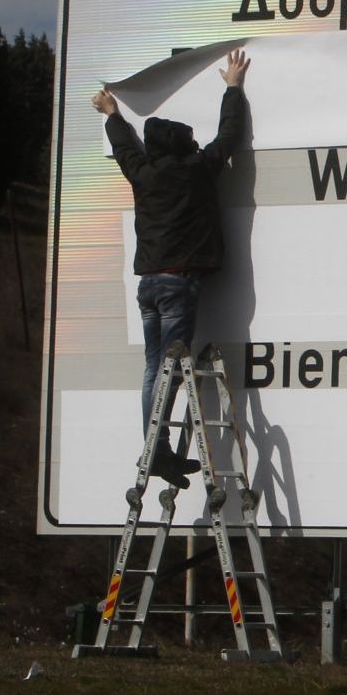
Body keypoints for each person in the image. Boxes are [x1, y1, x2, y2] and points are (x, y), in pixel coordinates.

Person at [90, 49, 251, 490]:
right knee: (166, 369)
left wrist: (112, 113)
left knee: (153, 368)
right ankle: (157, 452)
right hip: (180, 282)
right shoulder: (198, 170)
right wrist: (232, 87)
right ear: (185, 146)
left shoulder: (143, 172)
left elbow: (125, 147)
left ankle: (155, 448)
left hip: (149, 284)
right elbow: (230, 136)